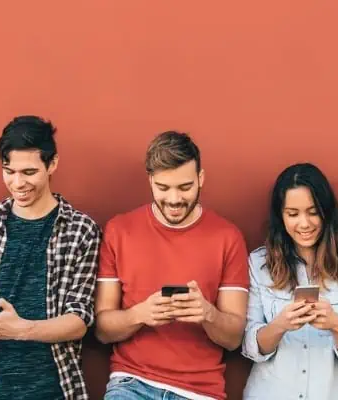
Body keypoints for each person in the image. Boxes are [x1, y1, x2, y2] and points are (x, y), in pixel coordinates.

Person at [0, 115, 101, 400]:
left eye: (29, 172)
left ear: (53, 164)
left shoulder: (82, 230)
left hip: (55, 387)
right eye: (9, 171)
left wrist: (20, 329)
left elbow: (80, 319)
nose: (17, 183)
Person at [94, 131, 249, 400]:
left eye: (185, 187)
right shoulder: (120, 230)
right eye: (163, 188)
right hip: (132, 383)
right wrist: (140, 314)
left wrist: (208, 313)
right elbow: (102, 329)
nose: (174, 199)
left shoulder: (228, 237)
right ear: (150, 180)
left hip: (201, 391)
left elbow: (234, 338)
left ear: (201, 178)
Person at [241, 163, 338, 400]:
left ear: (326, 212)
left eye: (313, 212)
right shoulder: (259, 264)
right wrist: (280, 324)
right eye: (293, 214)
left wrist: (335, 325)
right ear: (280, 216)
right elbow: (252, 347)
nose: (304, 224)